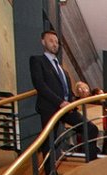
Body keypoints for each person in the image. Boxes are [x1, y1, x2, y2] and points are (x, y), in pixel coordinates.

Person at [29, 30, 100, 165]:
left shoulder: (62, 70)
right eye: (51, 41)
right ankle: (50, 174)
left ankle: (92, 165)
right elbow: (40, 85)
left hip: (66, 109)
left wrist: (74, 101)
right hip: (50, 108)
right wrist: (60, 102)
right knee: (50, 140)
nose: (55, 44)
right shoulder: (37, 61)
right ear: (43, 42)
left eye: (56, 42)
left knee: (91, 129)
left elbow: (68, 92)